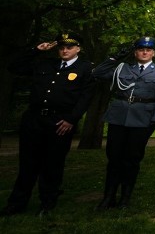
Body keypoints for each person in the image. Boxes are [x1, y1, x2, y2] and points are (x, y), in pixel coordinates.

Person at [1, 33, 95, 217]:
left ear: (78, 49)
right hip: (34, 120)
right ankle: (17, 203)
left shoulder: (85, 69)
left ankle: (47, 202)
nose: (64, 50)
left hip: (60, 122)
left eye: (69, 47)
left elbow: (85, 98)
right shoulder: (45, 64)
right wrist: (36, 50)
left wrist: (71, 119)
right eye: (61, 47)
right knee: (27, 164)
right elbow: (13, 66)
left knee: (53, 164)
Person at [92, 36, 155, 209]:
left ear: (153, 53)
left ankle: (125, 198)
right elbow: (97, 73)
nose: (145, 52)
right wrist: (115, 58)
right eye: (141, 49)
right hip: (119, 118)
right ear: (135, 52)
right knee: (114, 158)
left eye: (148, 50)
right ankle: (109, 197)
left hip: (142, 119)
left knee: (132, 159)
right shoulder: (123, 68)